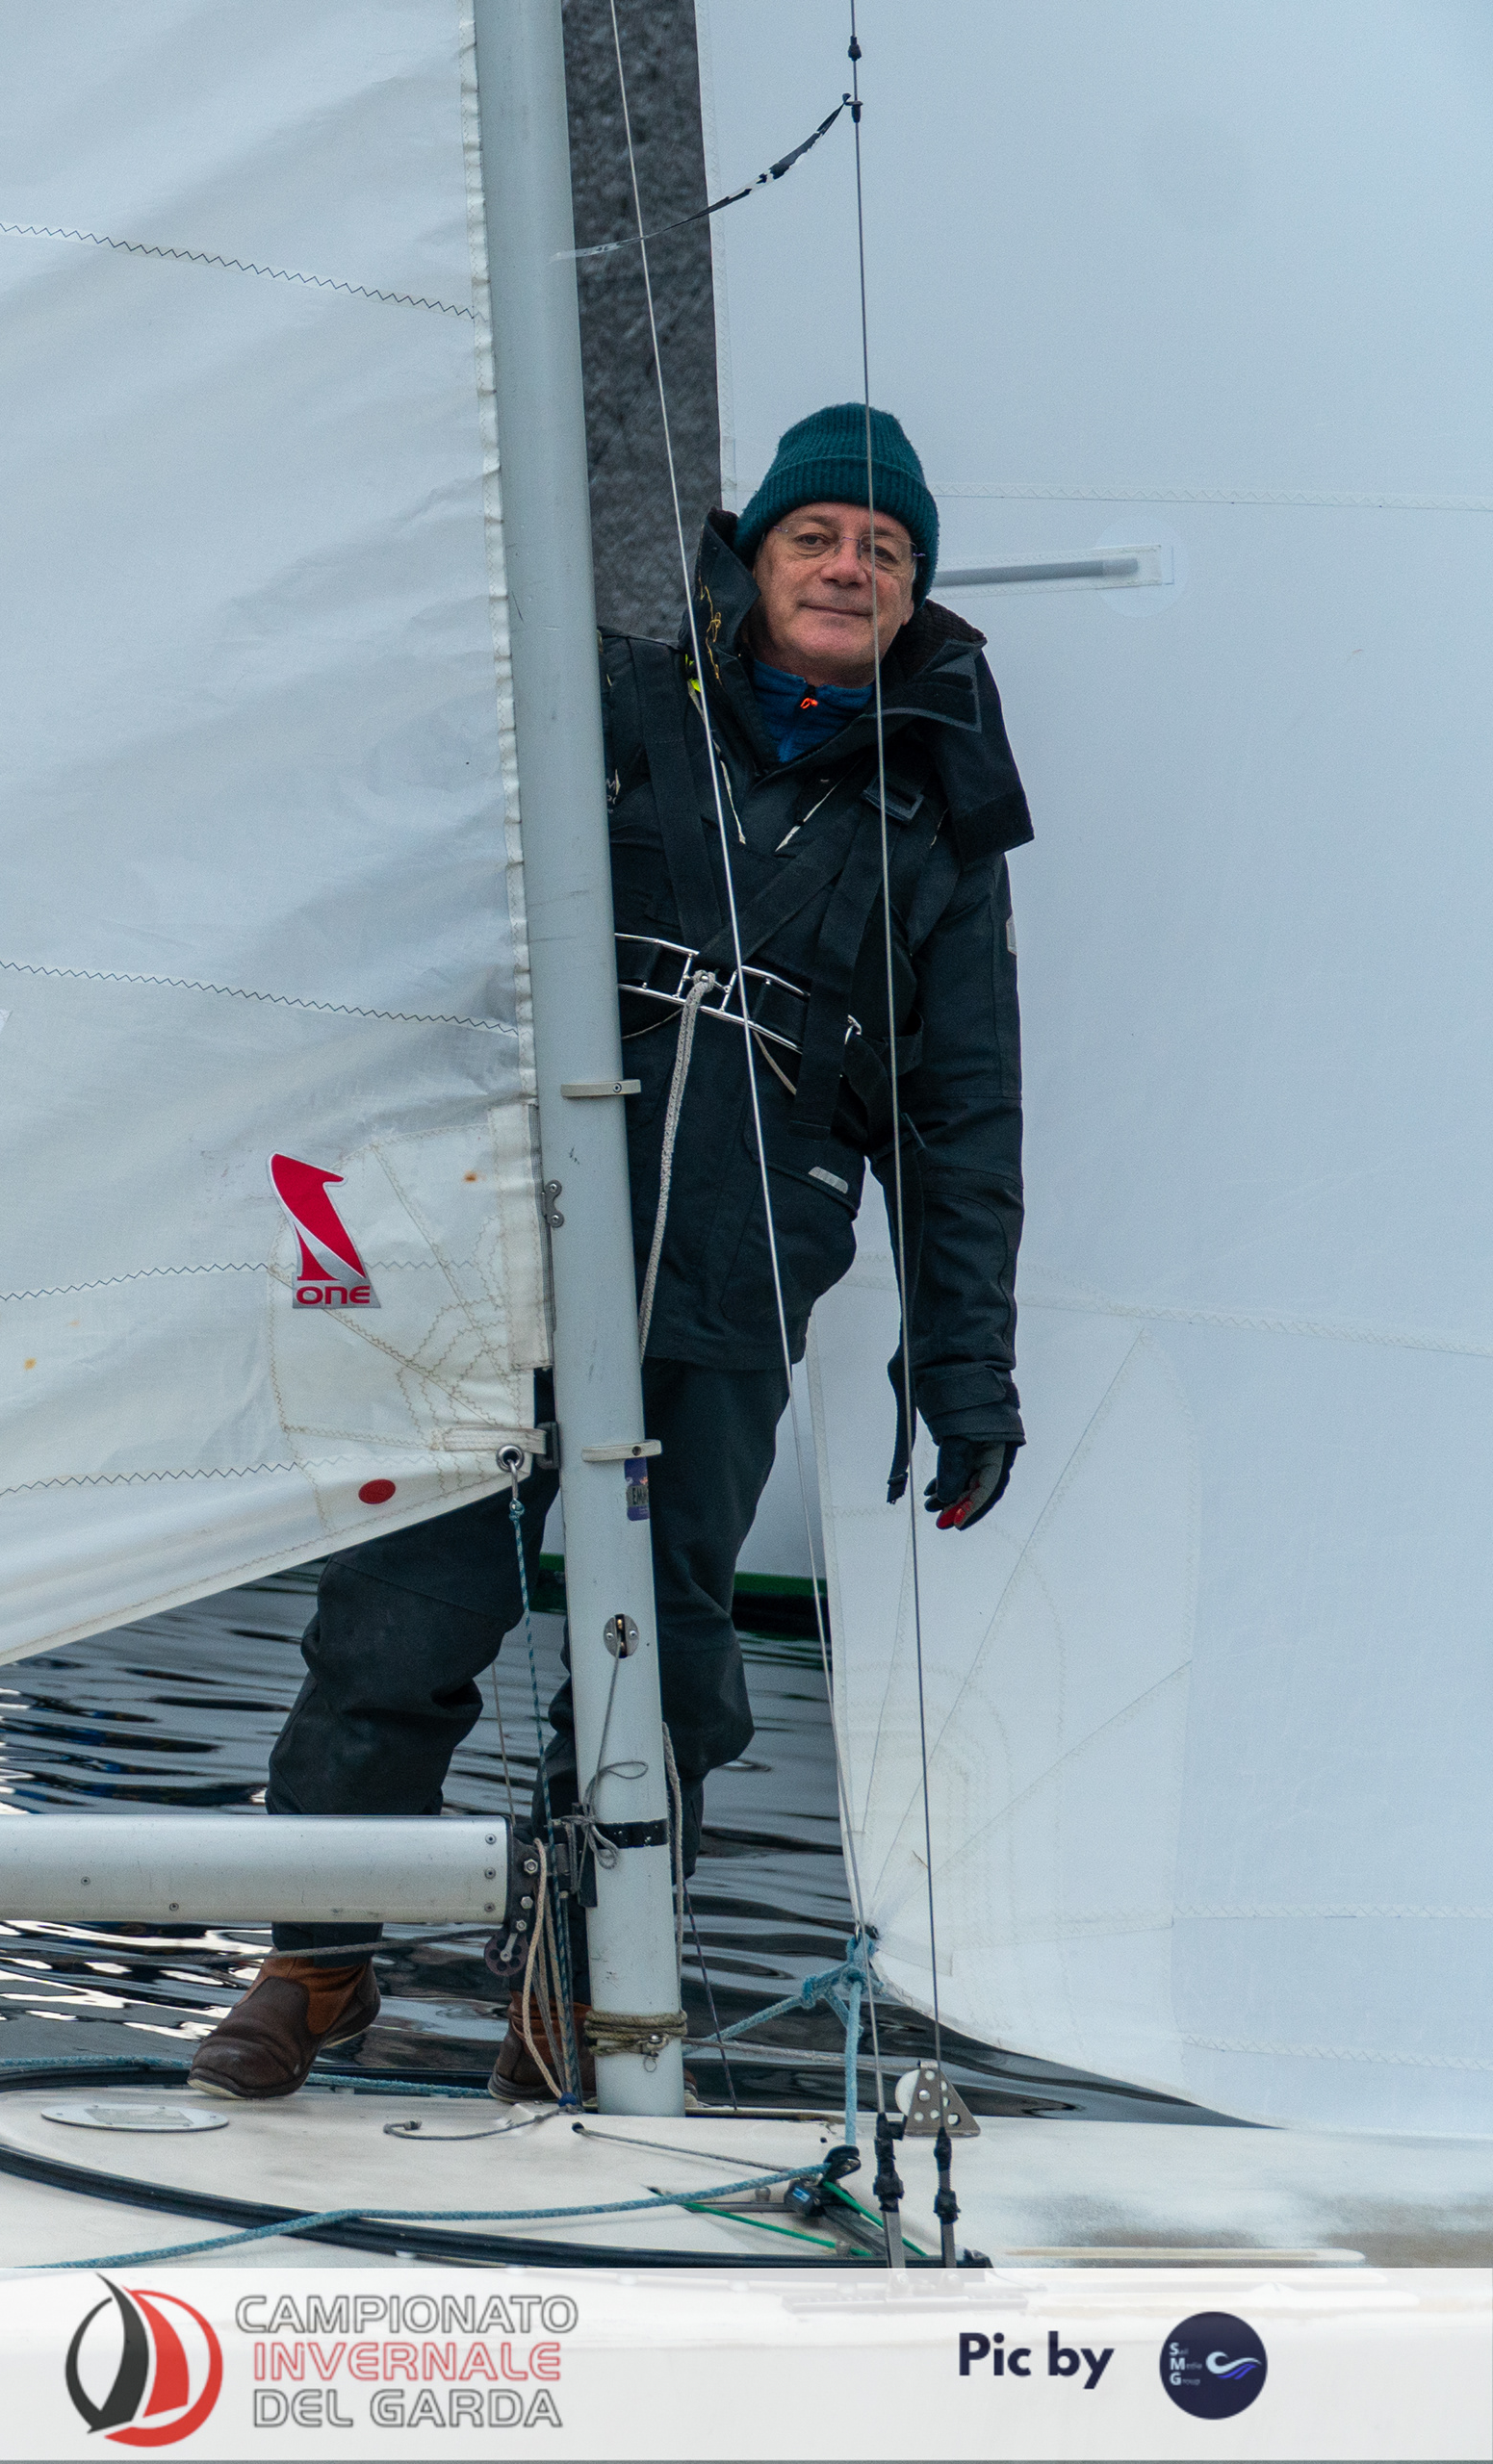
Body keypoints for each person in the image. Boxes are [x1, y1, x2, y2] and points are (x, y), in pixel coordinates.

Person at [194, 404, 1032, 2105]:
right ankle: (318, 1960)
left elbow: (961, 1124)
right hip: (499, 1249)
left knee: (667, 1657)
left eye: (882, 550)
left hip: (730, 1278)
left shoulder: (939, 819)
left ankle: (579, 1985)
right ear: (757, 558)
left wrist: (966, 1375)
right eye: (816, 538)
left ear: (915, 591)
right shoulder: (609, 704)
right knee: (397, 1616)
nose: (847, 567)